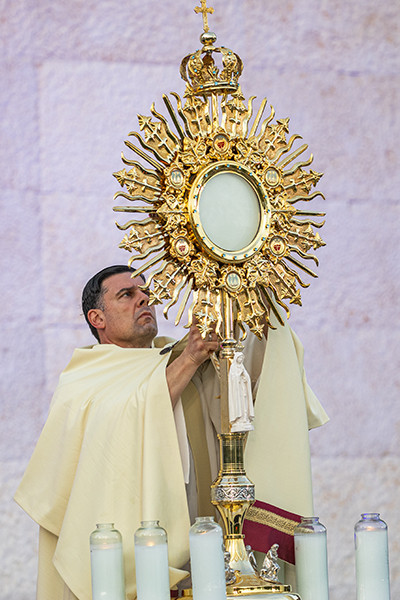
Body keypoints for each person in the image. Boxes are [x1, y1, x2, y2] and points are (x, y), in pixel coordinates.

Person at [15, 265, 329, 600]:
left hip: (200, 528)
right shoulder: (83, 379)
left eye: (145, 292)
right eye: (127, 295)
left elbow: (250, 367)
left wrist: (249, 289)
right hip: (128, 538)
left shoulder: (175, 358)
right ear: (97, 318)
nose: (143, 299)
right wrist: (189, 360)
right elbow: (122, 421)